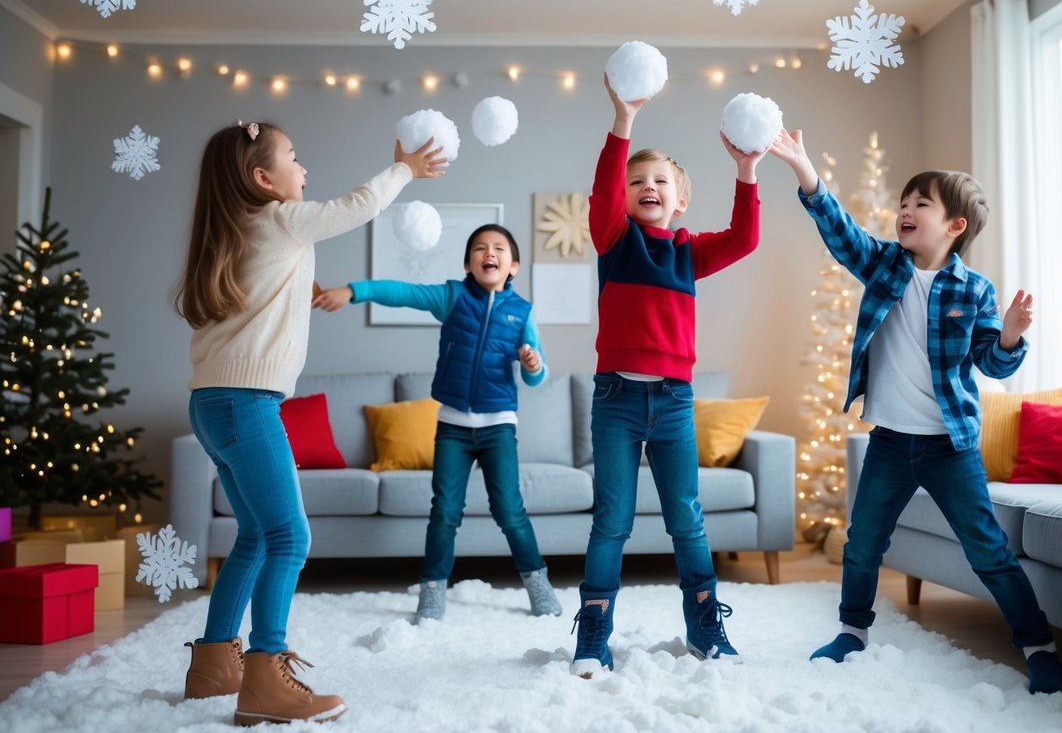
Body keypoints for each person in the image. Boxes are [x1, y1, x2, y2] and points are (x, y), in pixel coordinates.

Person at [768, 127, 1062, 694]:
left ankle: (1038, 645)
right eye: (903, 203)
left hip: (947, 445)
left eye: (920, 204)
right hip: (889, 442)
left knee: (988, 552)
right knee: (862, 544)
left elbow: (992, 366)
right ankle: (852, 632)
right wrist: (804, 169)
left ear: (955, 226)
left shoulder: (974, 289)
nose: (904, 211)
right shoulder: (883, 265)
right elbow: (838, 230)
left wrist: (1008, 337)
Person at [173, 120, 446, 725]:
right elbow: (356, 205)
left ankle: (215, 667)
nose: (305, 169)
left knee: (252, 537)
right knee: (290, 538)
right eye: (294, 158)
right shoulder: (280, 218)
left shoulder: (237, 229)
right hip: (247, 403)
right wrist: (405, 168)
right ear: (263, 179)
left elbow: (260, 300)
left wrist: (301, 291)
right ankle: (267, 677)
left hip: (212, 404)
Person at [569, 75, 762, 677]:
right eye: (637, 181)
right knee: (612, 520)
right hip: (616, 400)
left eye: (660, 182)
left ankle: (705, 624)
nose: (646, 187)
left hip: (675, 402)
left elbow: (745, 238)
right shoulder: (614, 240)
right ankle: (594, 633)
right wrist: (622, 123)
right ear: (623, 199)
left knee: (687, 517)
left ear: (680, 200)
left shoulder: (688, 250)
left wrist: (748, 171)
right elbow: (602, 194)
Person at [312, 224, 562, 621]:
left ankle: (537, 582)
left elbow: (538, 375)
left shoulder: (522, 313)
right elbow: (402, 292)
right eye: (479, 248)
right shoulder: (452, 297)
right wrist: (352, 291)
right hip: (453, 427)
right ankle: (432, 591)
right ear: (468, 263)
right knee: (445, 510)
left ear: (512, 266)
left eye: (498, 248)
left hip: (499, 426)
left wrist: (532, 364)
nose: (488, 253)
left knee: (509, 509)